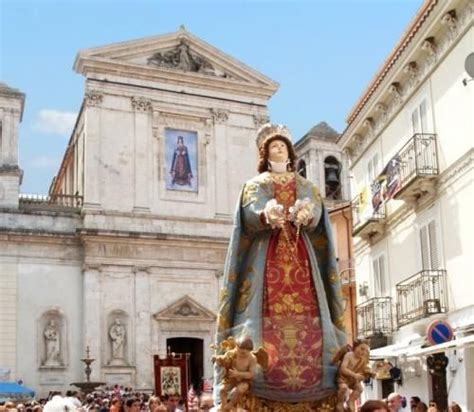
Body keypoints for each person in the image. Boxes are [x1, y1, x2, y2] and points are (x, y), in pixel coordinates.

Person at [215, 123, 347, 403]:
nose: (278, 149)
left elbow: (315, 211)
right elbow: (250, 212)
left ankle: (317, 382)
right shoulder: (255, 185)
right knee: (257, 315)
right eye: (273, 147)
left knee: (312, 309)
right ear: (265, 154)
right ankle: (259, 381)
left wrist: (305, 216)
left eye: (282, 146)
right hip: (266, 256)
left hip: (301, 254)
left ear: (289, 152)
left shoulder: (306, 185)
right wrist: (265, 215)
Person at [213, 335, 257, 410]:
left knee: (240, 389)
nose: (240, 354)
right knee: (222, 390)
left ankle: (231, 404)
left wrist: (238, 374)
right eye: (239, 351)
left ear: (249, 351)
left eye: (244, 353)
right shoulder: (232, 354)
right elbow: (224, 360)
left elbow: (251, 374)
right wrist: (218, 360)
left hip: (244, 380)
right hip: (232, 378)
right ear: (236, 347)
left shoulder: (252, 359)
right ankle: (223, 405)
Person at [335, 339, 374, 412]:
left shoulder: (362, 360)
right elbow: (343, 369)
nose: (363, 352)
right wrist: (355, 375)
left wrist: (366, 375)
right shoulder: (349, 355)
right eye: (362, 349)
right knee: (343, 388)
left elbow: (363, 371)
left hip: (352, 379)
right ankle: (339, 403)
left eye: (366, 350)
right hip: (343, 378)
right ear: (355, 347)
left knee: (360, 389)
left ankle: (351, 401)